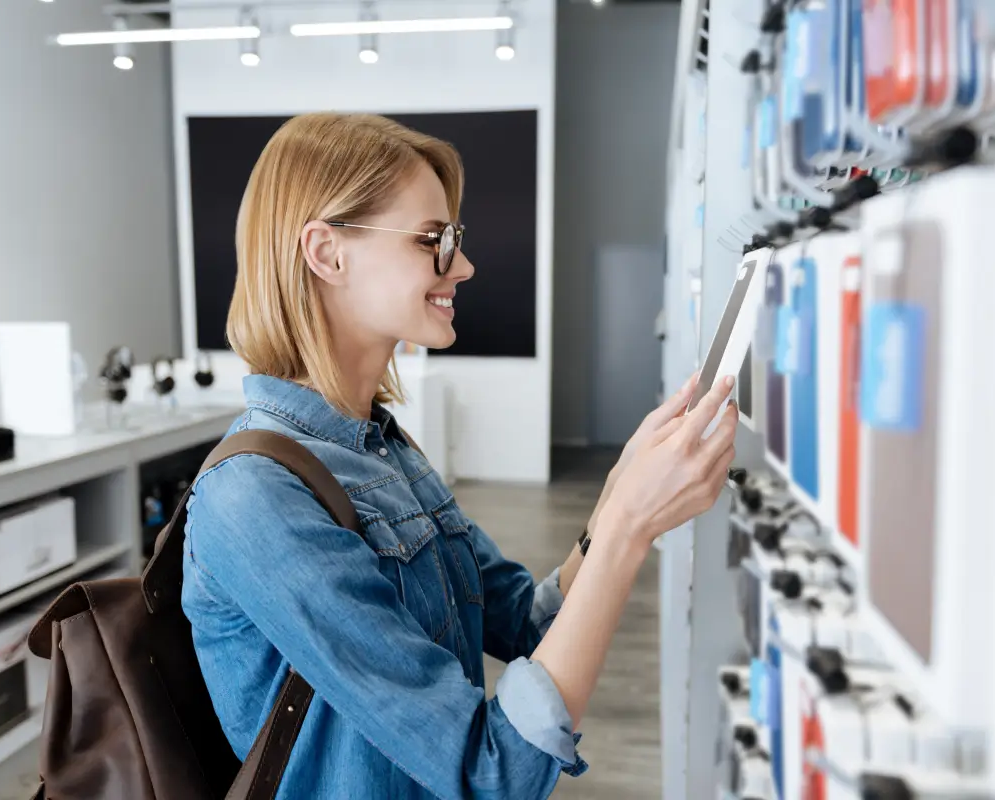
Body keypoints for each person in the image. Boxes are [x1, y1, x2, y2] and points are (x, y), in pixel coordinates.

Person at [182, 112, 738, 799]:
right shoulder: (255, 496)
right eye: (433, 241)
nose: (464, 265)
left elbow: (528, 626)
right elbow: (488, 772)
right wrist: (625, 529)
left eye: (456, 239)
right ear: (327, 254)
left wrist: (620, 500)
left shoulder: (381, 448)